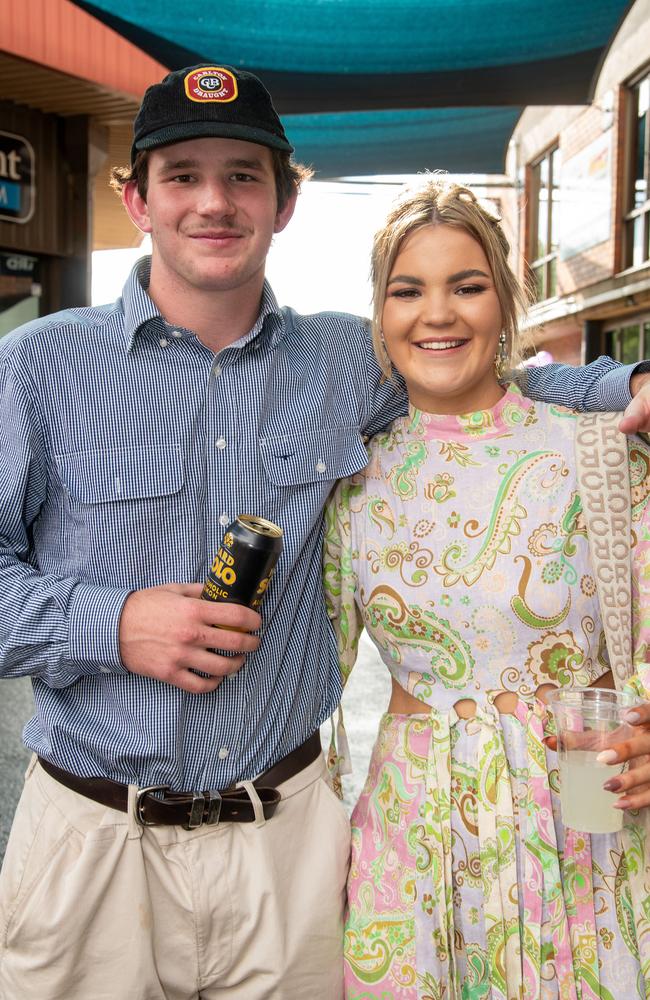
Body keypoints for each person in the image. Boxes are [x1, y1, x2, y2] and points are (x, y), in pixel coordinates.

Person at [0, 64, 649, 1000]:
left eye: (244, 175)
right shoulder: (36, 368)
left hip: (288, 842)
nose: (214, 201)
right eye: (182, 174)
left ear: (286, 201)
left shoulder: (348, 357)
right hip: (95, 838)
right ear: (136, 199)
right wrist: (109, 623)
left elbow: (480, 381)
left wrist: (623, 384)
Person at [323, 178, 650, 999]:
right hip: (411, 838)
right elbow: (307, 683)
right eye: (409, 291)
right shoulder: (349, 477)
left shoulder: (599, 455)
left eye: (466, 286)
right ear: (380, 312)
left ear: (504, 302)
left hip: (584, 812)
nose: (438, 314)